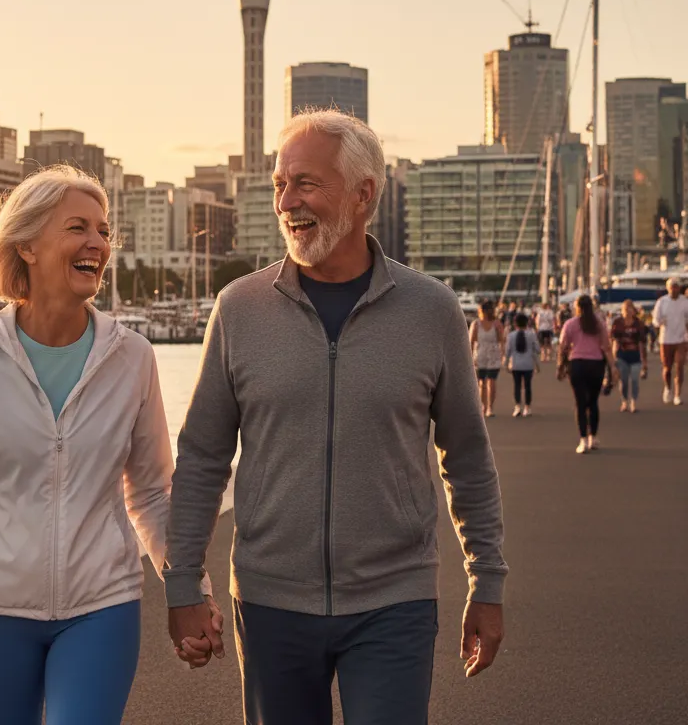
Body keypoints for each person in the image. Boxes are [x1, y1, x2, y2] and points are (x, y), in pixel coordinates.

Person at [163, 111, 507, 725]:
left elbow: (466, 455)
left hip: (395, 599)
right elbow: (202, 458)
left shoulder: (431, 311)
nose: (286, 202)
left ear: (363, 193)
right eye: (279, 184)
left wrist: (487, 580)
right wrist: (183, 583)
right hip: (270, 602)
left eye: (305, 183)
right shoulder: (239, 309)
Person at [0, 167, 220, 724]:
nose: (97, 243)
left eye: (103, 231)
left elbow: (151, 494)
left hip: (102, 606)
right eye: (77, 228)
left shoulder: (132, 357)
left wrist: (190, 589)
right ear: (27, 246)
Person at [558, 295, 618, 454]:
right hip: (596, 365)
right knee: (593, 402)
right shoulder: (599, 324)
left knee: (580, 403)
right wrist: (612, 367)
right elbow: (606, 347)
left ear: (577, 308)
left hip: (577, 364)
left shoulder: (570, 324)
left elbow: (563, 347)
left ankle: (583, 439)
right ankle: (593, 437)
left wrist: (560, 366)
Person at [653, 277, 688, 405]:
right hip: (666, 339)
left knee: (679, 366)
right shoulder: (662, 302)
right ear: (668, 288)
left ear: (679, 288)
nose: (674, 289)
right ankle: (668, 388)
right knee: (667, 368)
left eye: (676, 287)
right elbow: (655, 320)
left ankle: (678, 395)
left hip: (681, 339)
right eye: (672, 287)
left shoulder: (685, 302)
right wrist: (660, 322)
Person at [610, 300, 649, 413]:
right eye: (625, 309)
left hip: (635, 355)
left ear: (633, 310)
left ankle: (633, 402)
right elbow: (614, 341)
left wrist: (644, 362)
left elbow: (642, 343)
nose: (627, 311)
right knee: (624, 381)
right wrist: (613, 359)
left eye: (629, 309)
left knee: (635, 380)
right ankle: (624, 401)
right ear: (621, 311)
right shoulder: (617, 323)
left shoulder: (638, 324)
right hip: (622, 355)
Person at [470, 300, 506, 417]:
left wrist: (503, 354)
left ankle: (489, 407)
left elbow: (501, 340)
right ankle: (484, 406)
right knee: (482, 382)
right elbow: (471, 341)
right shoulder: (476, 324)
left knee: (491, 381)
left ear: (484, 311)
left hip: (492, 355)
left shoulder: (496, 324)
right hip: (481, 355)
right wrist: (470, 357)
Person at [506, 312, 540, 417]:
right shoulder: (531, 334)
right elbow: (537, 350)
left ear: (515, 323)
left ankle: (517, 407)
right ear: (527, 323)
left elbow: (508, 351)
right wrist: (537, 365)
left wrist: (506, 364)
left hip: (515, 364)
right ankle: (527, 407)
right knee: (527, 386)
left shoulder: (511, 335)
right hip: (528, 364)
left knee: (517, 386)